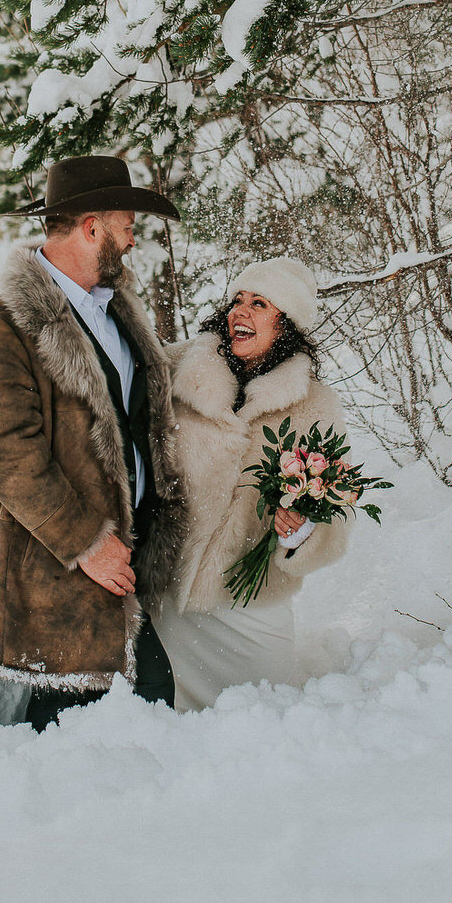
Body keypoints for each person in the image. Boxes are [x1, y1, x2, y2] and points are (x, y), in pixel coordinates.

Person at [0, 155, 187, 729]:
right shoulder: (1, 327)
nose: (134, 241)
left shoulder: (116, 313)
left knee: (138, 711)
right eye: (127, 225)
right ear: (92, 227)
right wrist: (87, 542)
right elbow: (5, 454)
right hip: (60, 572)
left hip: (120, 564)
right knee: (75, 723)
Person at [152, 257, 350, 711]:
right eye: (238, 300)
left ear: (287, 325)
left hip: (248, 602)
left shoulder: (313, 404)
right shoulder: (177, 367)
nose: (239, 312)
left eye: (259, 303)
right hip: (168, 593)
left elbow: (337, 506)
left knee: (261, 719)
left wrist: (303, 531)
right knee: (161, 720)